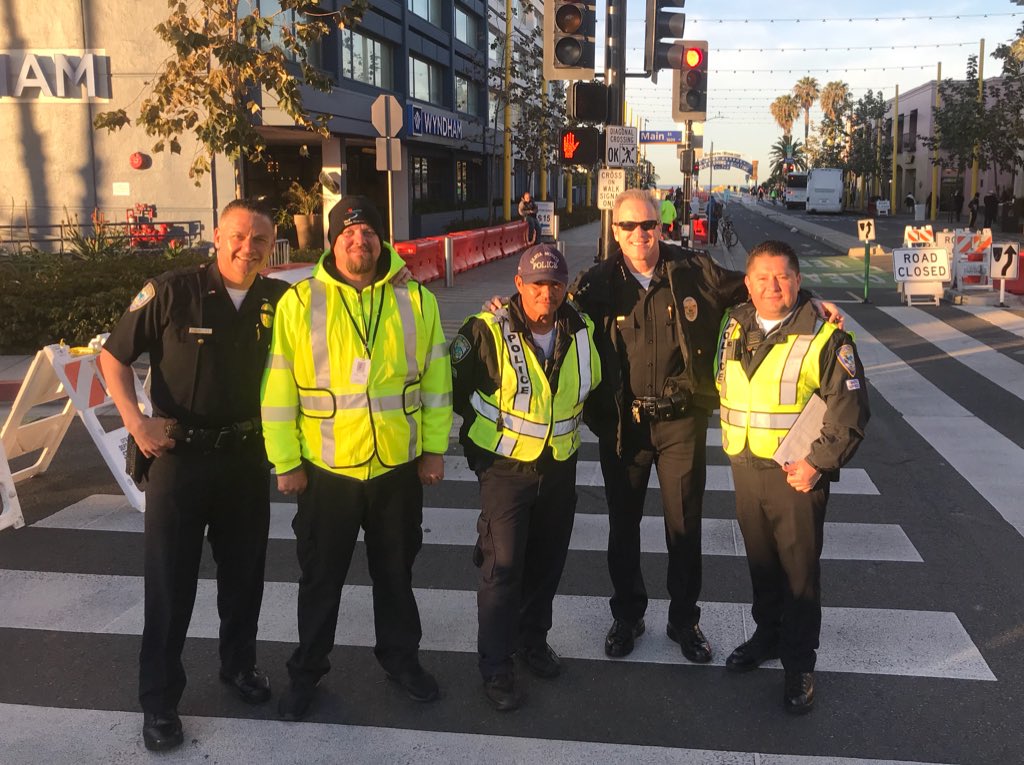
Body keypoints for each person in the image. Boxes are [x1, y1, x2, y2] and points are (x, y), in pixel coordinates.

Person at [567, 190, 843, 666]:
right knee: (623, 526)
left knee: (684, 527)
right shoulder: (596, 283)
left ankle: (683, 620)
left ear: (661, 225)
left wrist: (813, 300)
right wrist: (501, 304)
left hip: (680, 424)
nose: (640, 235)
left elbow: (756, 287)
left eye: (648, 225)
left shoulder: (695, 270)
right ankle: (628, 615)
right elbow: (547, 308)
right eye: (629, 227)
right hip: (624, 427)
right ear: (614, 231)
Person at [99, 199, 287, 752]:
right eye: (238, 235)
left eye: (259, 240)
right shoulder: (171, 291)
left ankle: (239, 668)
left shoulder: (279, 300)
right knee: (169, 586)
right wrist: (136, 422)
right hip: (179, 462)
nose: (247, 247)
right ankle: (159, 703)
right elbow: (113, 357)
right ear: (216, 235)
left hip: (247, 460)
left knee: (244, 578)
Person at [261, 195, 453, 720]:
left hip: (396, 468)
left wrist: (434, 450)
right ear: (331, 241)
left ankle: (401, 660)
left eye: (367, 230)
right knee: (320, 580)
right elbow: (278, 388)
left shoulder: (416, 301)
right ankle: (306, 672)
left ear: (381, 239)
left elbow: (437, 384)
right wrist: (286, 462)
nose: (358, 239)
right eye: (347, 231)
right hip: (327, 473)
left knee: (396, 575)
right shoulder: (300, 303)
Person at [714, 240, 869, 714]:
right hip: (745, 467)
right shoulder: (733, 321)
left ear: (798, 282)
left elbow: (850, 411)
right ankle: (768, 636)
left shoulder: (826, 336)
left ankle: (799, 664)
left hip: (796, 475)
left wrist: (817, 465)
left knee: (799, 573)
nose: (772, 286)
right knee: (762, 564)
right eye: (762, 277)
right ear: (747, 282)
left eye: (782, 277)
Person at [450, 244, 601, 711]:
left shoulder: (581, 329)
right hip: (506, 472)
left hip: (559, 466)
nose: (547, 293)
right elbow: (452, 392)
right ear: (519, 285)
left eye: (555, 283)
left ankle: (533, 643)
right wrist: (481, 454)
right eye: (537, 284)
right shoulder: (485, 330)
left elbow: (592, 390)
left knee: (546, 563)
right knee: (502, 568)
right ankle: (496, 668)